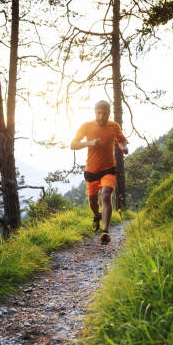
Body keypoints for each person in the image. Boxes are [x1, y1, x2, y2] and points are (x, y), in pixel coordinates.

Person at [70, 100, 128, 244]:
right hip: (91, 170)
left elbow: (122, 140)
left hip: (109, 168)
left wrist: (123, 147)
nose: (102, 117)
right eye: (99, 113)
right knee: (92, 202)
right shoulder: (86, 126)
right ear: (95, 112)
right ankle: (97, 216)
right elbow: (73, 145)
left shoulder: (114, 126)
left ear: (109, 113)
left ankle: (105, 232)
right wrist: (89, 143)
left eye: (105, 114)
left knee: (106, 195)